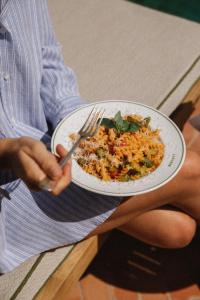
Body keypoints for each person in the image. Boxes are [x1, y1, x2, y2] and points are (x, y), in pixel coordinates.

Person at [0, 0, 199, 273]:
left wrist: (78, 119)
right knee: (193, 171)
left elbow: (47, 58)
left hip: (46, 147)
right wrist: (6, 151)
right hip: (7, 197)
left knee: (177, 230)